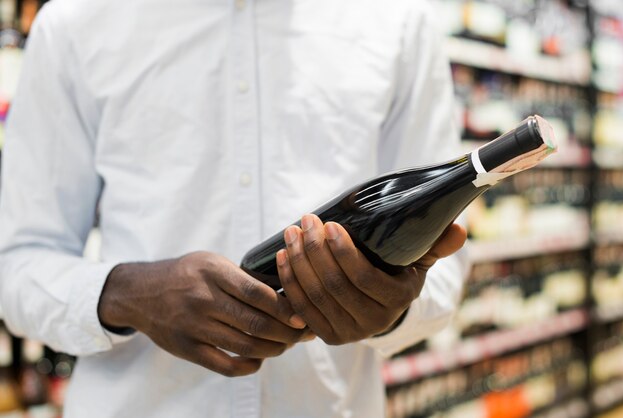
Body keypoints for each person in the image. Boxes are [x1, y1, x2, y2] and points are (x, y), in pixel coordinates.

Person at [0, 0, 469, 417]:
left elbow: (446, 266)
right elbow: (16, 262)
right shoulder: (77, 21)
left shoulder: (400, 19)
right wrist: (127, 294)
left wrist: (395, 306)